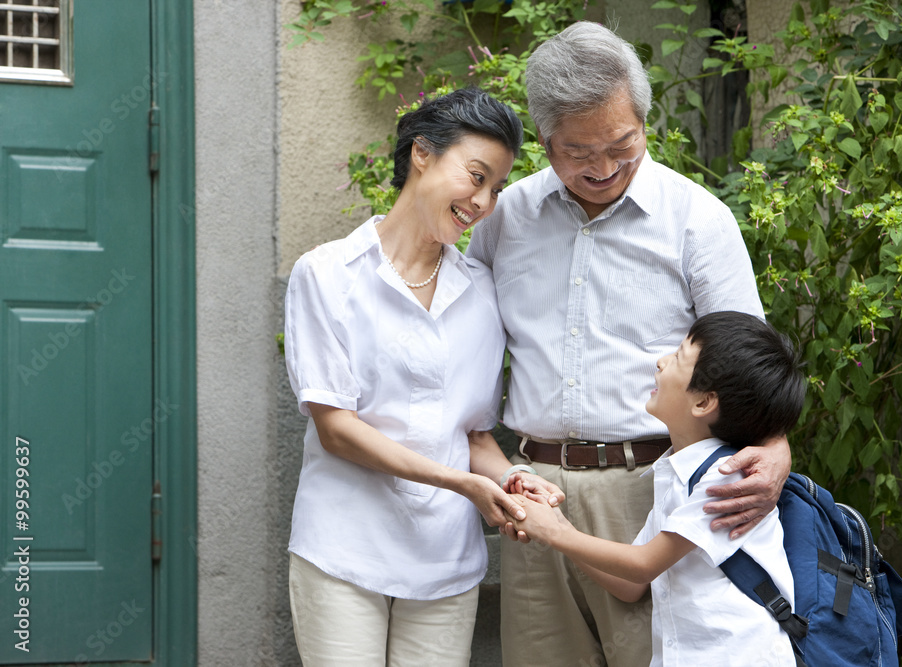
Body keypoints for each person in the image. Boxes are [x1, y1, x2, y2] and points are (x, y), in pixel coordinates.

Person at [466, 21, 792, 666]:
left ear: (643, 120)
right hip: (533, 488)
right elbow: (468, 354)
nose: (605, 167)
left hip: (653, 489)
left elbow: (746, 360)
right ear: (543, 140)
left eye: (623, 143)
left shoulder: (697, 218)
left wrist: (774, 445)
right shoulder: (504, 219)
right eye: (579, 152)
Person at [282, 87, 564, 666]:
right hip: (343, 548)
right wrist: (463, 484)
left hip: (444, 559)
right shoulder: (327, 275)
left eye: (496, 188)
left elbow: (474, 436)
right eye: (476, 175)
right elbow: (337, 429)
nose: (483, 202)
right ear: (422, 155)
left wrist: (512, 478)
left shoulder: (481, 292)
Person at [509, 311, 806, 667]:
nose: (661, 363)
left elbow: (643, 566)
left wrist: (553, 531)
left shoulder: (727, 478)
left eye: (679, 356)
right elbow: (629, 584)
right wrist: (558, 521)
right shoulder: (678, 473)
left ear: (703, 402)